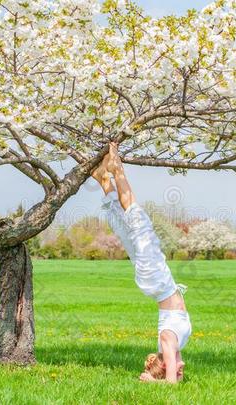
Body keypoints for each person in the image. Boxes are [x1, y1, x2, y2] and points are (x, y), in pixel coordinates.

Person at [92, 143, 192, 384]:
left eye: (176, 370)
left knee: (138, 223)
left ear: (166, 363)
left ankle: (117, 170)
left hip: (158, 281)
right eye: (180, 371)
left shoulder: (168, 342)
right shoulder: (175, 348)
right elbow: (175, 375)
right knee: (127, 229)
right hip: (155, 282)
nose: (181, 370)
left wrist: (153, 379)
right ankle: (102, 178)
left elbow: (171, 385)